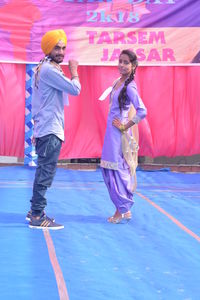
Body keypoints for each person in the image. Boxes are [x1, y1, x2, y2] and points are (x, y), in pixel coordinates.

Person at [27, 29, 81, 230]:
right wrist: (74, 71)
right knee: (46, 173)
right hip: (50, 129)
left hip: (46, 127)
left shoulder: (44, 67)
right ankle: (37, 215)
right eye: (57, 47)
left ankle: (34, 210)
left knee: (43, 171)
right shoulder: (49, 70)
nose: (61, 51)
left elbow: (37, 102)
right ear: (48, 48)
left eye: (63, 47)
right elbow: (75, 89)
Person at [100, 49, 147, 224]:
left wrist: (125, 125)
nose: (121, 64)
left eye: (126, 62)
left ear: (133, 65)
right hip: (111, 132)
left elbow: (142, 111)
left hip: (118, 135)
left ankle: (120, 210)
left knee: (116, 170)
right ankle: (125, 208)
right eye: (120, 61)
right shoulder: (118, 82)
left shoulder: (130, 86)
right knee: (112, 168)